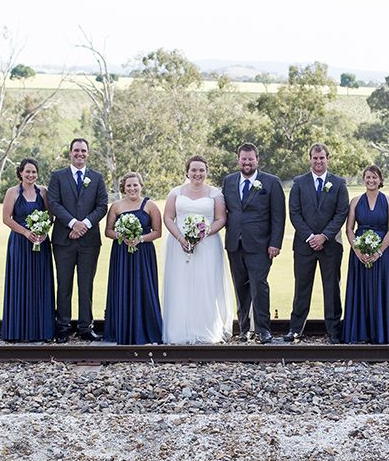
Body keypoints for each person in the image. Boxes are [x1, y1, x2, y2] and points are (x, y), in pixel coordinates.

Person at [162, 155, 232, 343]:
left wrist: (202, 234)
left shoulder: (215, 193)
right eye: (194, 170)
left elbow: (221, 219)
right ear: (187, 171)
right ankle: (179, 331)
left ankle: (206, 330)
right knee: (181, 285)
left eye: (201, 170)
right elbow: (168, 217)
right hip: (179, 245)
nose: (197, 173)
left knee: (206, 285)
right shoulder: (176, 192)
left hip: (207, 245)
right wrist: (180, 237)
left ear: (206, 172)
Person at [284, 143, 350, 343]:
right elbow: (294, 213)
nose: (318, 161)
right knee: (302, 287)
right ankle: (295, 329)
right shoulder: (299, 182)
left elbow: (341, 213)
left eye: (322, 158)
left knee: (332, 289)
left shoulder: (338, 183)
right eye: (315, 158)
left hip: (331, 245)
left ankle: (334, 330)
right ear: (310, 159)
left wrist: (324, 236)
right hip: (305, 245)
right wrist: (311, 237)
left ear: (328, 159)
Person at [220, 143, 284, 343]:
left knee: (259, 286)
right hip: (234, 243)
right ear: (238, 159)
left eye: (251, 158)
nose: (247, 162)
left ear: (257, 159)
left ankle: (264, 330)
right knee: (240, 287)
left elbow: (279, 216)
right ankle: (244, 330)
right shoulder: (229, 181)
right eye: (243, 158)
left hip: (261, 244)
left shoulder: (271, 182)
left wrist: (275, 243)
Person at [47, 138, 108, 341]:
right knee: (64, 284)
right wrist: (73, 223)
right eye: (76, 150)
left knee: (86, 284)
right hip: (63, 240)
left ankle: (85, 327)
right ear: (70, 153)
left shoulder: (97, 178)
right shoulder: (57, 176)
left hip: (89, 241)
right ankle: (62, 326)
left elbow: (102, 206)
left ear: (88, 153)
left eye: (83, 151)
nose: (80, 154)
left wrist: (85, 225)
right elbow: (54, 204)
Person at [101, 172, 164, 345]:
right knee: (122, 286)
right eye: (128, 185)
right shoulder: (116, 206)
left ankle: (147, 330)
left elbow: (157, 232)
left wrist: (140, 239)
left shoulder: (150, 205)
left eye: (135, 185)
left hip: (143, 253)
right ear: (123, 188)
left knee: (144, 287)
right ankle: (121, 329)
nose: (132, 188)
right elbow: (108, 231)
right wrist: (121, 235)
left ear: (141, 186)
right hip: (122, 254)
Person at [342, 164, 389, 344]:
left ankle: (382, 333)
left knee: (380, 289)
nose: (371, 180)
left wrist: (378, 252)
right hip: (359, 253)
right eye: (368, 177)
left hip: (382, 253)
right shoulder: (355, 201)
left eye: (374, 177)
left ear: (380, 180)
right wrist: (357, 250)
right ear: (363, 179)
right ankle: (359, 333)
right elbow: (349, 229)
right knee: (360, 290)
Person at [0, 158, 56, 342]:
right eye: (28, 172)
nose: (31, 175)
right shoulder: (12, 192)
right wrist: (26, 232)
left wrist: (43, 232)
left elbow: (50, 216)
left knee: (40, 283)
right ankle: (18, 330)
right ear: (20, 173)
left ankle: (42, 330)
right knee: (21, 282)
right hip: (20, 242)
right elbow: (7, 218)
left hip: (41, 242)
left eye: (34, 172)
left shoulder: (43, 192)